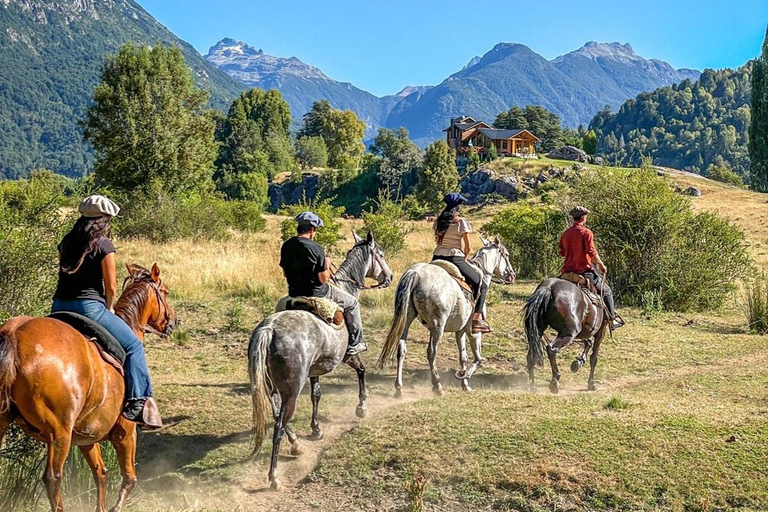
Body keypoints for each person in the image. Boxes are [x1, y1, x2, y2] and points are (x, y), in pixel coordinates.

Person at [51, 195, 163, 430]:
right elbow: (111, 287)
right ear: (105, 220)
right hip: (89, 308)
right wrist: (110, 308)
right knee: (133, 346)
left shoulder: (66, 242)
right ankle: (138, 402)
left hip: (59, 307)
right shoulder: (104, 245)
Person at [279, 211, 366, 356]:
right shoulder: (316, 248)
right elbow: (323, 279)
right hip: (318, 293)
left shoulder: (287, 245)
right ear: (312, 229)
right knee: (353, 303)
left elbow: (285, 273)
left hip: (294, 293)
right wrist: (327, 264)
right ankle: (355, 343)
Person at [431, 193, 491, 334]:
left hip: (437, 256)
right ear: (458, 207)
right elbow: (468, 247)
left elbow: (437, 240)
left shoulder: (439, 221)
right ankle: (477, 320)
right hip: (454, 258)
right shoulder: (460, 222)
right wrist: (464, 257)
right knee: (482, 285)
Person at [559, 206, 624, 330]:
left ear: (574, 218)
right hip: (584, 272)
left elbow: (562, 252)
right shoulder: (586, 233)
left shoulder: (566, 233)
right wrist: (601, 265)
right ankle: (612, 319)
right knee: (607, 291)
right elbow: (592, 253)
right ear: (584, 217)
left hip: (566, 273)